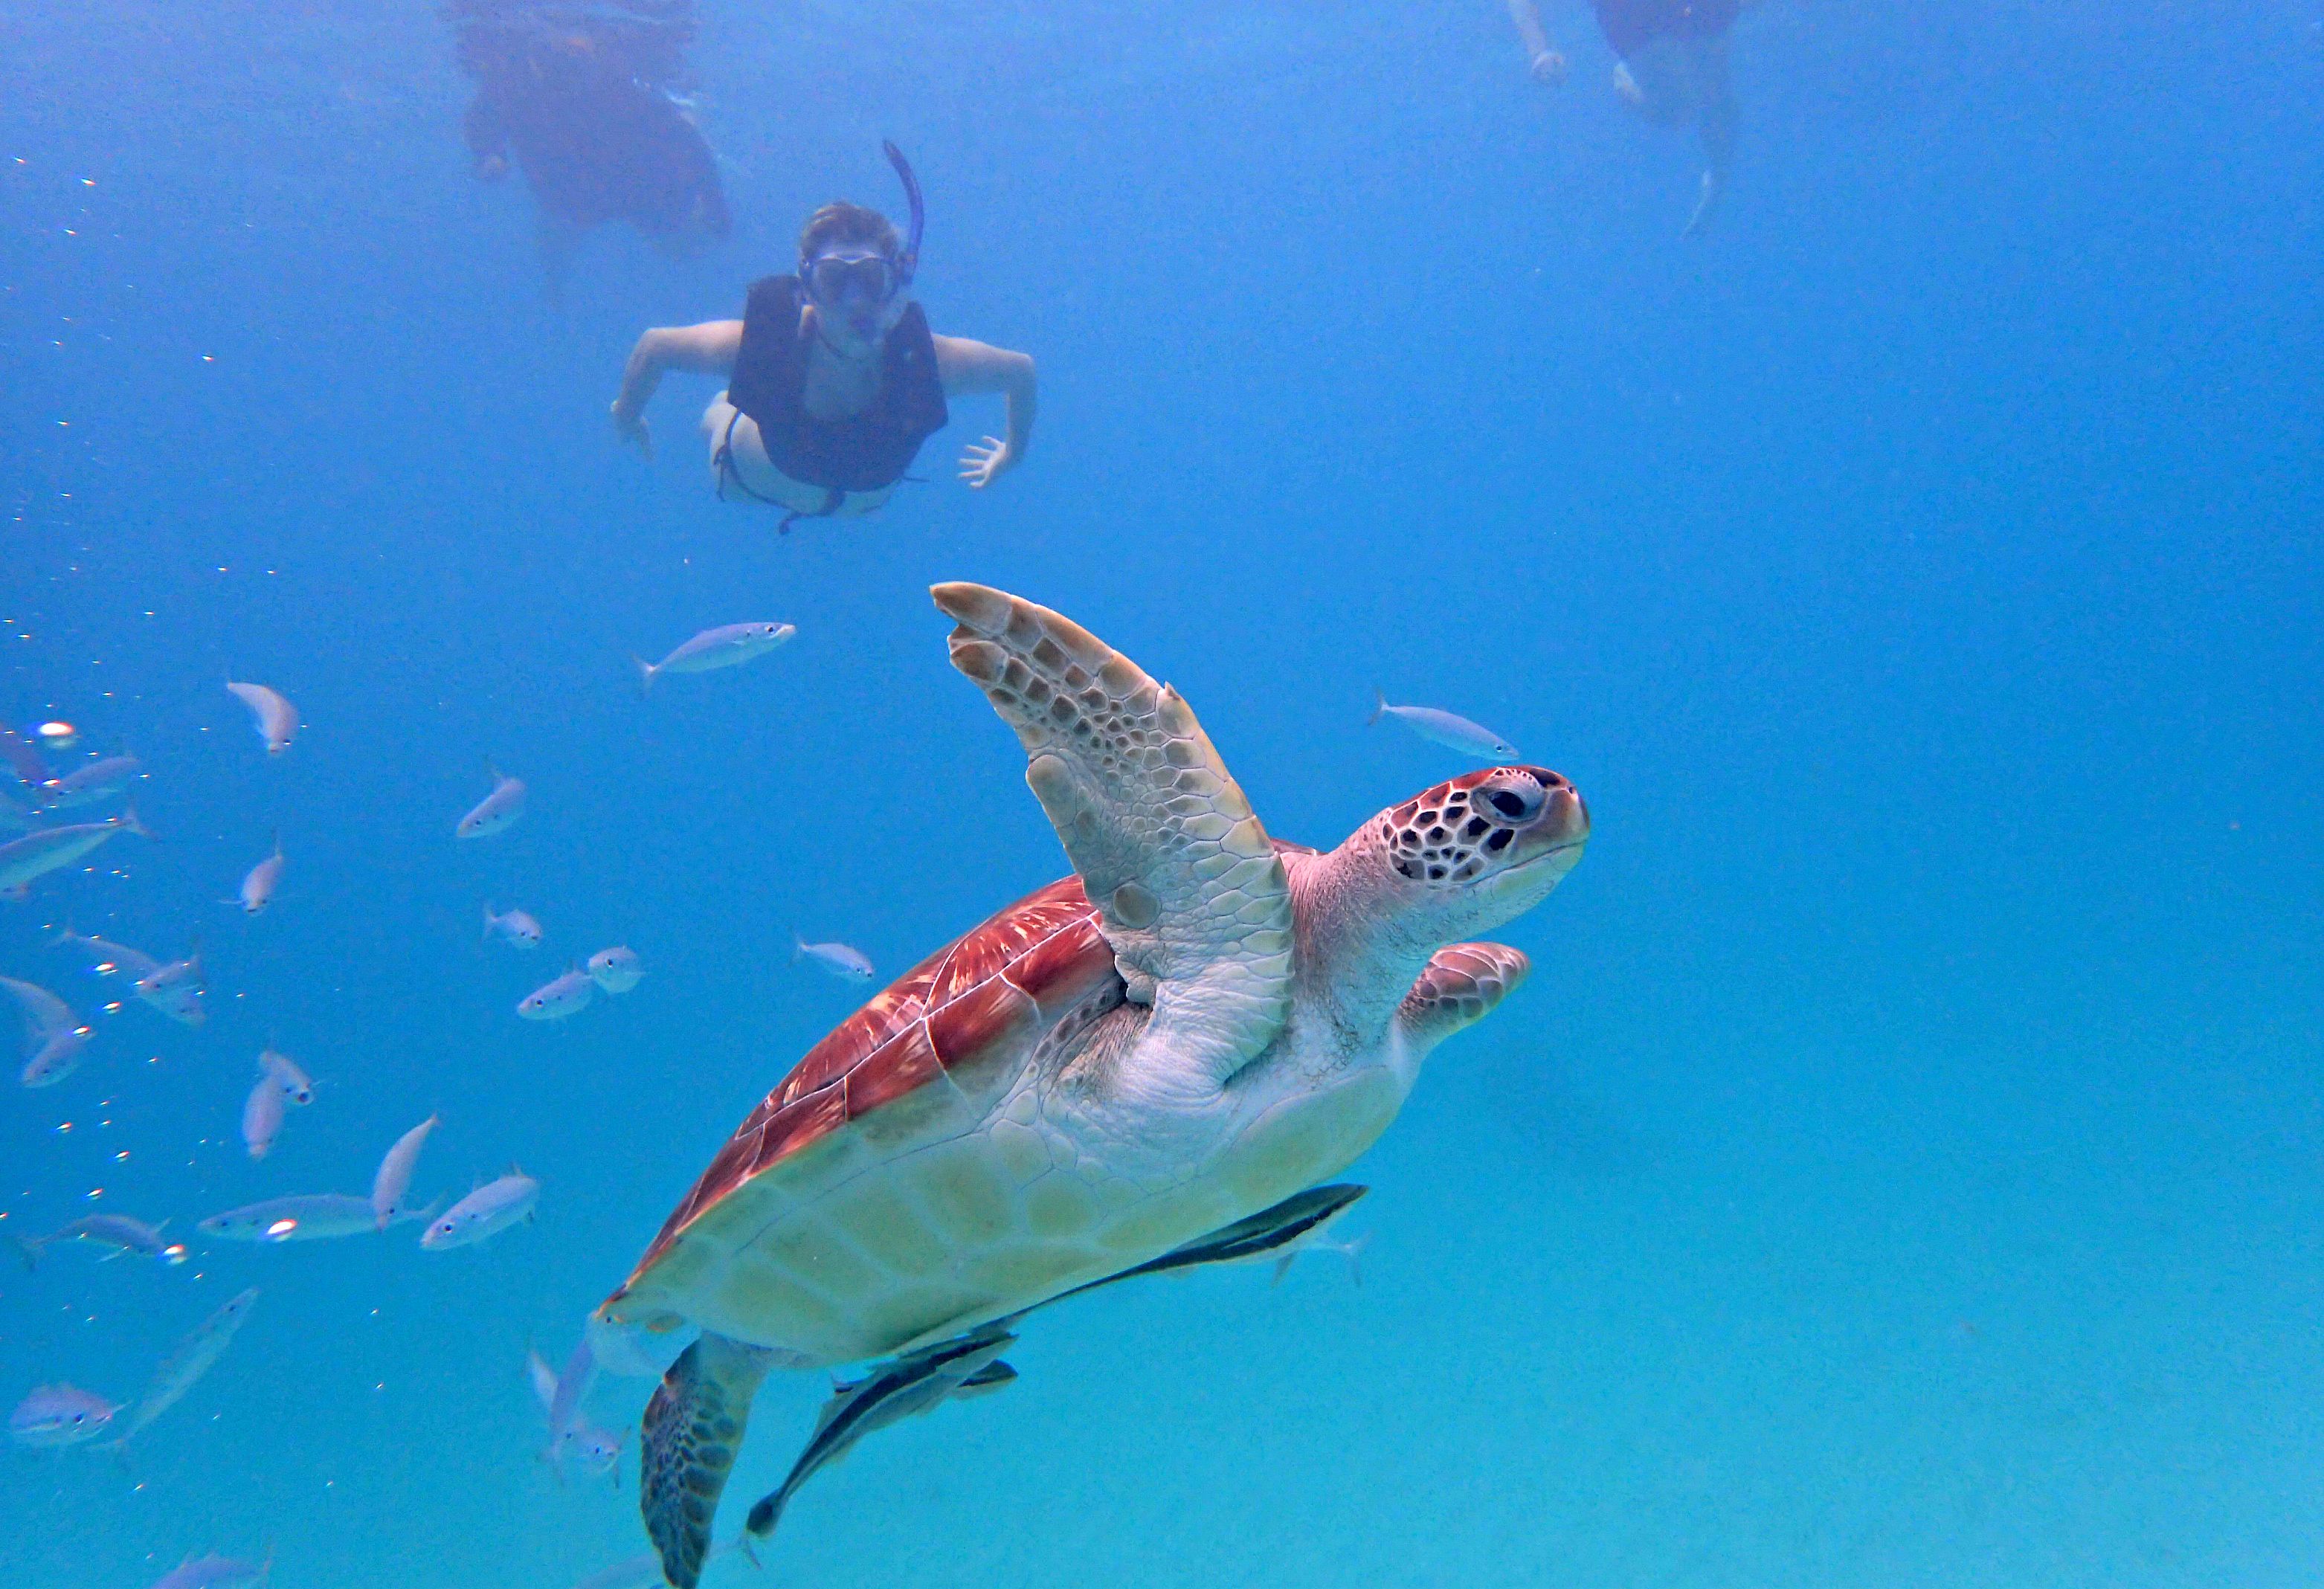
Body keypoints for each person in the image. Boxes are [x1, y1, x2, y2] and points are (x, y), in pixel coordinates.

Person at [608, 144, 1037, 529]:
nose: (855, 302)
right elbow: (656, 346)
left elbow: (1021, 371)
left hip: (848, 502)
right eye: (834, 280)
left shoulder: (928, 362)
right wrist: (626, 414)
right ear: (807, 290)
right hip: (745, 479)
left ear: (895, 285)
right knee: (719, 413)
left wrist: (1012, 454)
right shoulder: (765, 349)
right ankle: (725, 406)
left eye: (870, 279)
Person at [450, 0, 730, 287]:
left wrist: (715, 206)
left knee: (676, 237)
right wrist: (489, 153)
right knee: (562, 229)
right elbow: (485, 114)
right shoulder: (518, 81)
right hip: (574, 191)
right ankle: (555, 293)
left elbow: (686, 138)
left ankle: (689, 271)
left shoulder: (619, 86)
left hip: (624, 187)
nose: (569, 62)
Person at [1509, 0, 1742, 236]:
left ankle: (1718, 174)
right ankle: (1634, 86)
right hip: (1629, 12)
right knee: (1679, 110)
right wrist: (1539, 50)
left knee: (1716, 89)